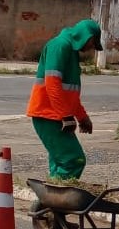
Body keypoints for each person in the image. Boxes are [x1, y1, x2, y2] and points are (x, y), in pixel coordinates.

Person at [26, 19, 102, 180]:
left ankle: (51, 201)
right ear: (87, 37)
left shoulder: (70, 51)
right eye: (93, 43)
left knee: (60, 162)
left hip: (55, 116)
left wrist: (82, 117)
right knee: (73, 160)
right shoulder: (60, 46)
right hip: (48, 115)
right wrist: (66, 116)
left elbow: (70, 94)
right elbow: (52, 83)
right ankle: (54, 198)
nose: (91, 48)